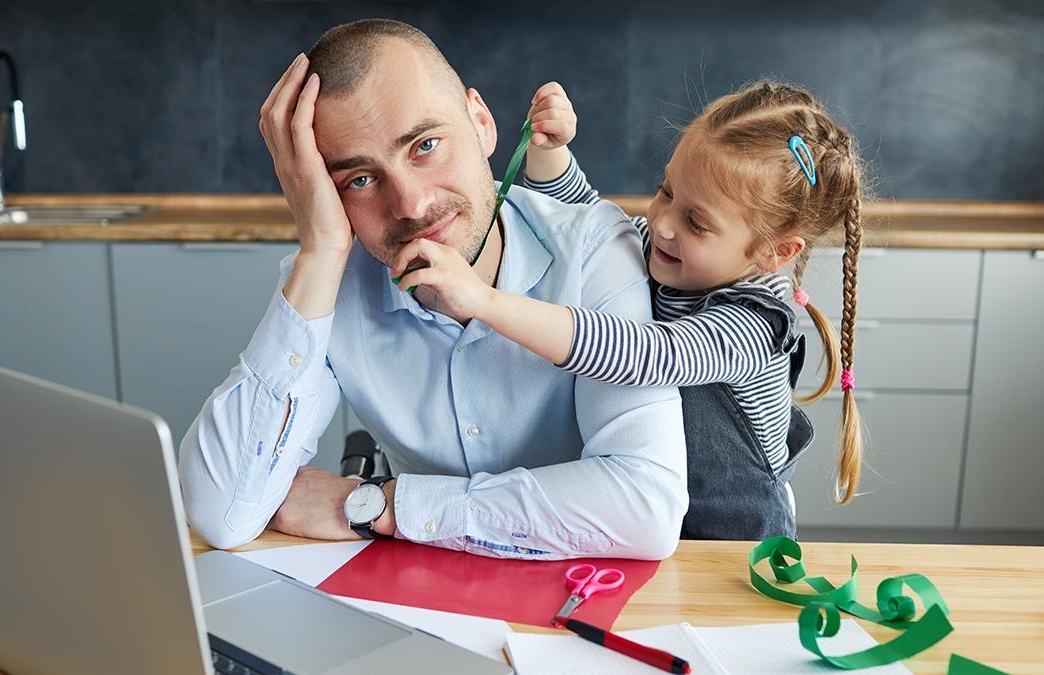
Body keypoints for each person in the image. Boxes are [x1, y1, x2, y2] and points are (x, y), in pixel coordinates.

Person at [178, 19, 687, 560]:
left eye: (425, 146)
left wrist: (385, 507)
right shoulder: (330, 281)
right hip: (417, 610)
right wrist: (322, 250)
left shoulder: (594, 251)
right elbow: (220, 512)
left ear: (482, 123)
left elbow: (646, 508)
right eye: (360, 180)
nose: (413, 207)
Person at [391, 80, 866, 539]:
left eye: (697, 222)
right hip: (649, 527)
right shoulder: (670, 251)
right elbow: (592, 227)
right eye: (667, 192)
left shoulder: (756, 323)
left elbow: (648, 354)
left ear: (775, 253)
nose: (662, 224)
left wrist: (486, 302)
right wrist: (550, 153)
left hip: (734, 545)